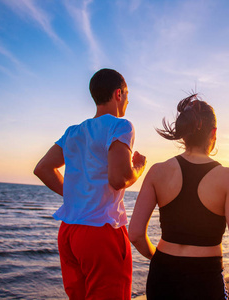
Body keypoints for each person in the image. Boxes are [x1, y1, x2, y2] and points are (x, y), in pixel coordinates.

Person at [128, 94, 229, 299]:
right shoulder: (228, 178)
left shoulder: (157, 172)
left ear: (184, 134)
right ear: (214, 133)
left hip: (161, 276)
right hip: (203, 279)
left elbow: (134, 234)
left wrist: (159, 257)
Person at [34, 68, 146, 300]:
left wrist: (76, 195)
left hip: (69, 232)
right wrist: (139, 168)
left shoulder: (73, 132)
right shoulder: (120, 126)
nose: (127, 101)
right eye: (127, 95)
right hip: (101, 231)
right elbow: (118, 179)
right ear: (119, 94)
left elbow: (43, 168)